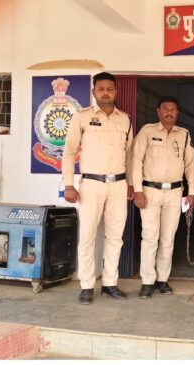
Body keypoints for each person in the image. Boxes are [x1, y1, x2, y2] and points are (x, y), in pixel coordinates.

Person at [62, 71, 134, 305]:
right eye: (101, 89)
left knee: (115, 236)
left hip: (118, 184)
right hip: (91, 184)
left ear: (116, 92)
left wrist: (131, 184)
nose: (105, 93)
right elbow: (69, 152)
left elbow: (130, 155)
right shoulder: (81, 117)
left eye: (110, 89)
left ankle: (110, 283)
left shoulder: (125, 119)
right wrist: (68, 185)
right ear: (94, 92)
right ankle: (86, 285)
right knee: (87, 236)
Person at [131, 96, 194, 299]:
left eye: (173, 109)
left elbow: (190, 166)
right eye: (165, 109)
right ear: (158, 111)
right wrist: (137, 190)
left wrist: (192, 193)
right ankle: (147, 282)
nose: (169, 112)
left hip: (175, 193)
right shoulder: (147, 131)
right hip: (150, 191)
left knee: (168, 238)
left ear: (177, 113)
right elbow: (136, 161)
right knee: (150, 237)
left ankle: (162, 279)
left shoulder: (184, 134)